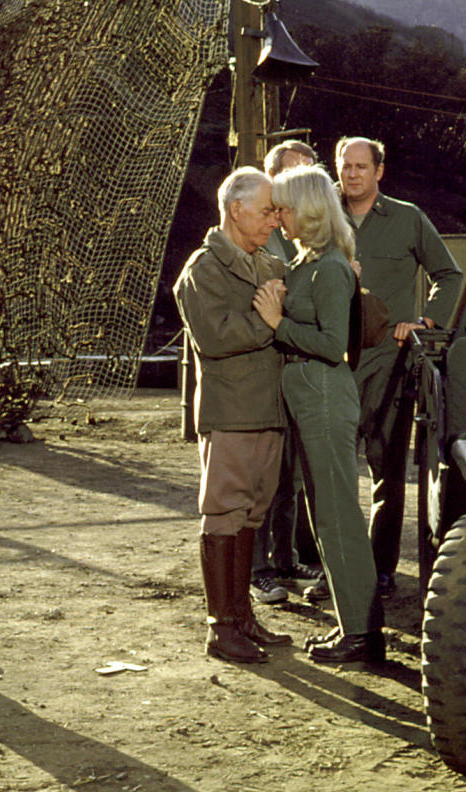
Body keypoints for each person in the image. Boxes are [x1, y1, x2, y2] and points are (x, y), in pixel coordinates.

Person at [252, 164, 385, 664]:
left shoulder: (329, 267)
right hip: (311, 396)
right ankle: (352, 624)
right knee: (325, 517)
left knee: (338, 518)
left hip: (325, 392)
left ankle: (363, 634)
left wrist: (278, 322)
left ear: (306, 211)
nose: (278, 217)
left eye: (283, 207)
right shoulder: (311, 261)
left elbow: (334, 345)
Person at [173, 166, 292, 664]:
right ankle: (221, 626)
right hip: (231, 412)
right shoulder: (204, 269)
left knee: (251, 515)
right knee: (224, 514)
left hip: (267, 408)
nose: (275, 220)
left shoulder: (264, 262)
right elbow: (216, 337)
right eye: (267, 211)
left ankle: (242, 616)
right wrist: (268, 320)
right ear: (235, 209)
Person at [337, 137, 462, 599]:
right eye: (345, 167)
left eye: (361, 167)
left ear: (379, 172)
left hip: (388, 361)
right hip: (330, 357)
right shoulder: (323, 214)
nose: (352, 175)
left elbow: (449, 276)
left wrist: (424, 322)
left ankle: (380, 567)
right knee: (330, 469)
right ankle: (331, 565)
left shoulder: (408, 218)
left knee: (386, 469)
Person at [251, 139, 323, 607]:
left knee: (289, 476)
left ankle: (285, 557)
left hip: (295, 371)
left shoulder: (305, 234)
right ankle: (259, 568)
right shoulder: (261, 230)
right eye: (292, 174)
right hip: (261, 374)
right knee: (260, 475)